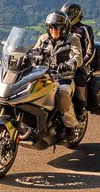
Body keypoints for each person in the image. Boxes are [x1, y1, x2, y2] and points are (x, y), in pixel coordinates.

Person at [34, 10, 83, 140]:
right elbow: (33, 53)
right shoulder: (43, 39)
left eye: (57, 27)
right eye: (51, 27)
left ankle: (70, 127)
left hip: (64, 78)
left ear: (64, 28)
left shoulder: (73, 39)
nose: (54, 30)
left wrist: (69, 64)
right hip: (45, 77)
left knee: (62, 94)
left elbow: (78, 57)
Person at [61, 2, 96, 111]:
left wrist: (82, 64)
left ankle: (81, 107)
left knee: (79, 77)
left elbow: (91, 50)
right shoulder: (62, 30)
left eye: (68, 14)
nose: (67, 17)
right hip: (65, 65)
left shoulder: (85, 29)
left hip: (82, 65)